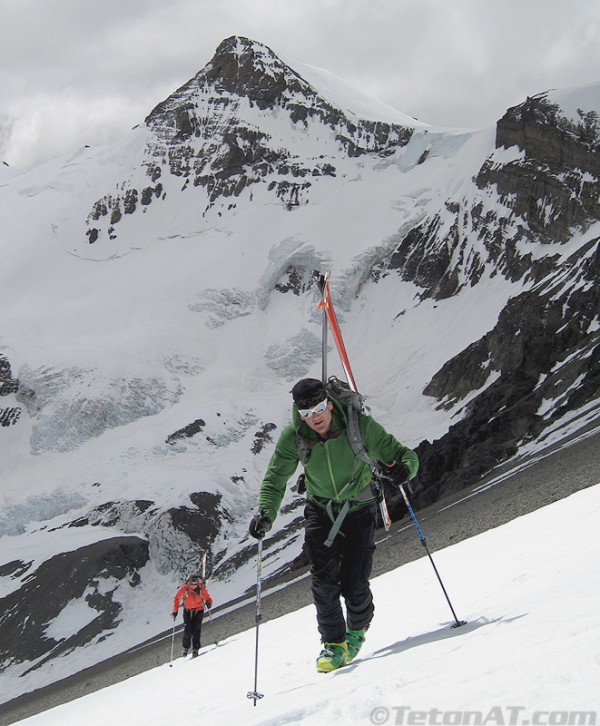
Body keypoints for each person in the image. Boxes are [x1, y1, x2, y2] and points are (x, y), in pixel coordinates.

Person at [249, 377, 419, 672]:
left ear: (328, 403)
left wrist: (406, 470)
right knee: (323, 580)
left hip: (361, 508)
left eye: (317, 408)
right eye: (305, 413)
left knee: (355, 582)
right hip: (320, 510)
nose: (313, 418)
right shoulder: (294, 437)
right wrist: (265, 513)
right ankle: (334, 644)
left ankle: (357, 629)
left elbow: (404, 455)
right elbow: (275, 479)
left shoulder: (360, 427)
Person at [172, 573, 213, 657]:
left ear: (198, 582)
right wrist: (175, 610)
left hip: (199, 610)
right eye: (191, 584)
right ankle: (185, 648)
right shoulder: (185, 588)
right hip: (188, 611)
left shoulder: (202, 589)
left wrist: (209, 603)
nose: (193, 586)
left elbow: (208, 598)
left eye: (195, 584)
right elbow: (176, 598)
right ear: (188, 583)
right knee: (187, 630)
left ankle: (195, 649)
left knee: (196, 630)